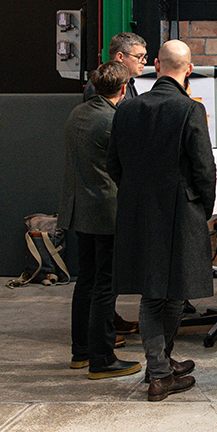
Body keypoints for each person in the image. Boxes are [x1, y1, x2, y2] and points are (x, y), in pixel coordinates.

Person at [108, 40, 216, 400]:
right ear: (189, 69)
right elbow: (204, 169)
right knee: (162, 293)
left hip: (138, 210)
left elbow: (113, 164)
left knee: (163, 291)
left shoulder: (127, 108)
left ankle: (162, 361)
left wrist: (135, 193)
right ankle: (159, 374)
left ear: (156, 64)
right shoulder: (190, 109)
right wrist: (204, 207)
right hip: (179, 211)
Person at [60, 61, 141, 379]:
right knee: (106, 286)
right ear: (123, 88)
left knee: (86, 282)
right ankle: (102, 358)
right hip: (107, 212)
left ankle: (80, 352)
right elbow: (129, 164)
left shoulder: (77, 113)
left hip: (80, 210)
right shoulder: (113, 119)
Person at [83, 32, 147, 101]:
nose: (144, 61)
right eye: (139, 57)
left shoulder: (129, 81)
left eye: (144, 57)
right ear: (120, 57)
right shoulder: (101, 82)